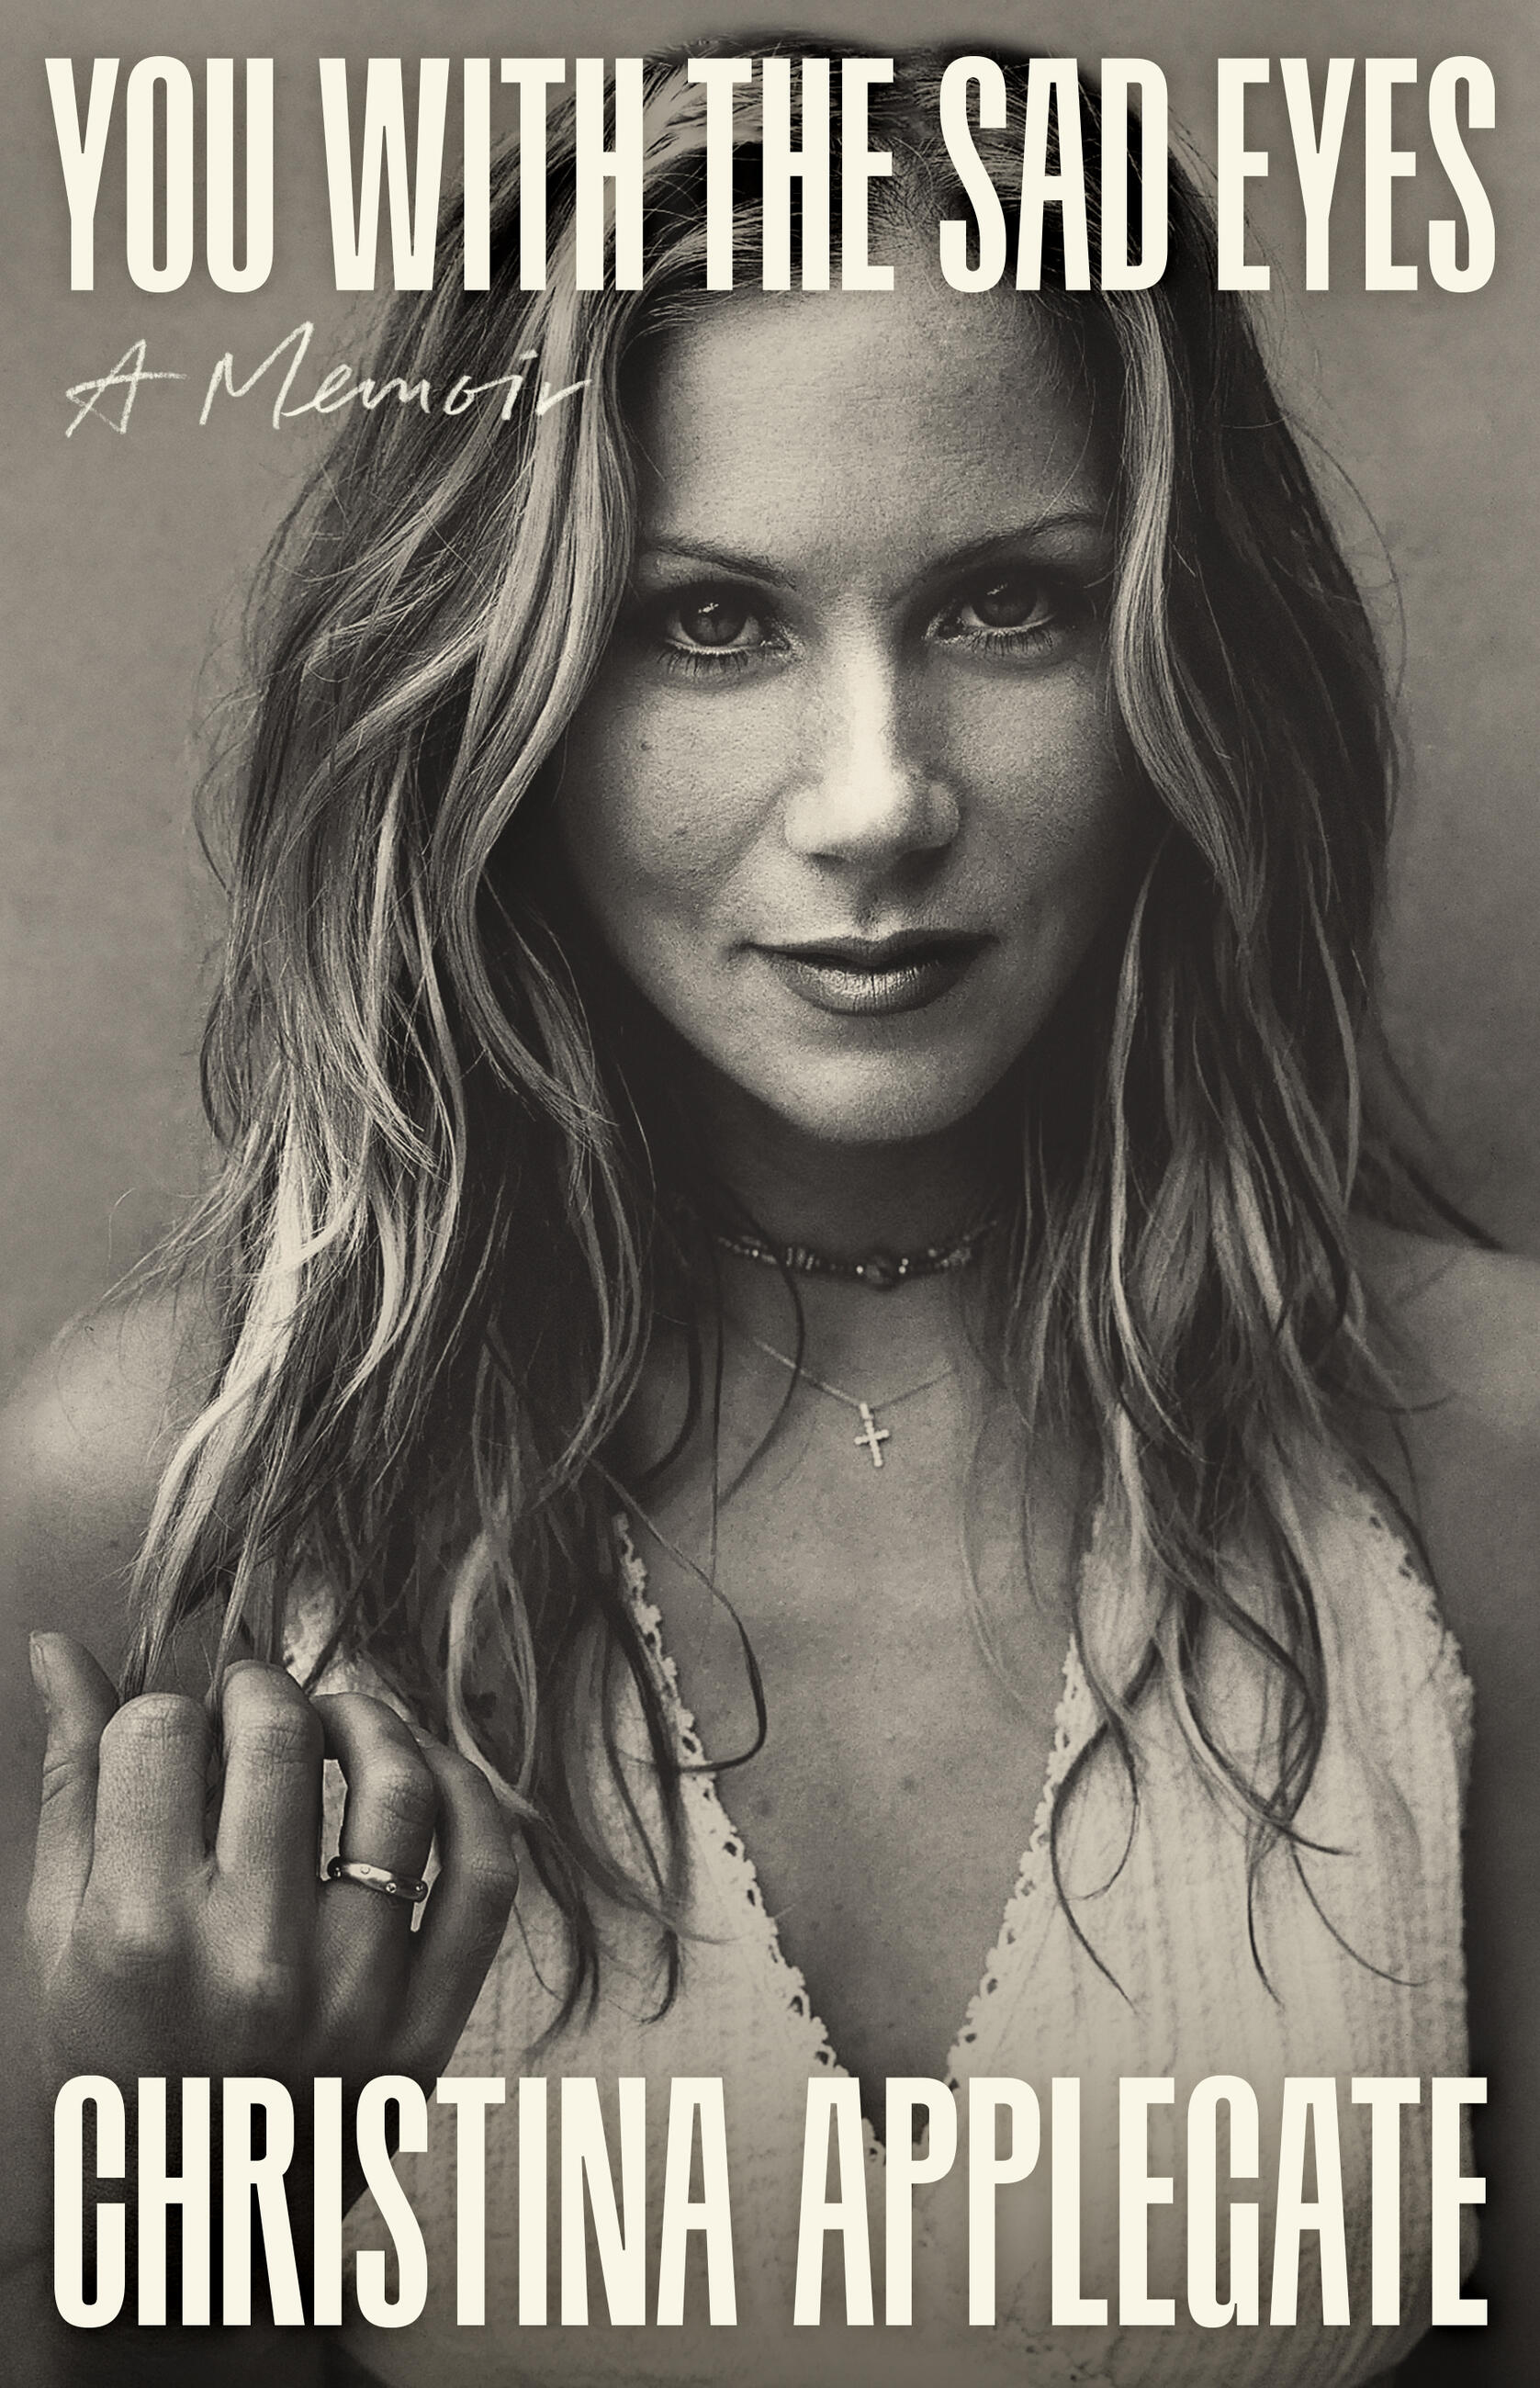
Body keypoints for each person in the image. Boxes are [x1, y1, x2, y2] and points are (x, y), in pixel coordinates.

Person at [0, 39, 1534, 2388]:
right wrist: (185, 2201)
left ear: (1180, 657)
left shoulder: (1479, 1450)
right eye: (708, 623)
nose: (874, 799)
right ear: (497, 688)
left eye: (1007, 605)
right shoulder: (172, 1490)